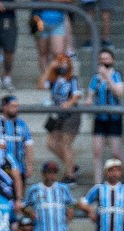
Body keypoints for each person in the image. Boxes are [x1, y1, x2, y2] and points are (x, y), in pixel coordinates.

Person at [87, 48, 124, 187]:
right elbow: (90, 97)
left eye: (107, 58)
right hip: (100, 118)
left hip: (114, 118)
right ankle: (97, 184)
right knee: (97, 152)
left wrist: (108, 77)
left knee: (115, 152)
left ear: (112, 60)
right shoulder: (95, 78)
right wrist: (89, 101)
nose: (104, 61)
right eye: (102, 59)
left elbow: (119, 93)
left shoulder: (117, 75)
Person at [43, 55, 82, 185]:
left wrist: (68, 103)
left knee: (66, 144)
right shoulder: (54, 79)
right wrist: (49, 68)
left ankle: (70, 176)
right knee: (51, 143)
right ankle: (72, 165)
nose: (63, 65)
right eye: (60, 63)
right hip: (57, 115)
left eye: (65, 63)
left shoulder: (72, 79)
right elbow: (41, 84)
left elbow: (76, 96)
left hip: (70, 114)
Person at [0, 96, 35, 180]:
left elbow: (28, 145)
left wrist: (29, 165)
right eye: (13, 106)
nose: (16, 109)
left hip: (19, 169)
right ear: (4, 107)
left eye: (17, 106)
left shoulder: (22, 124)